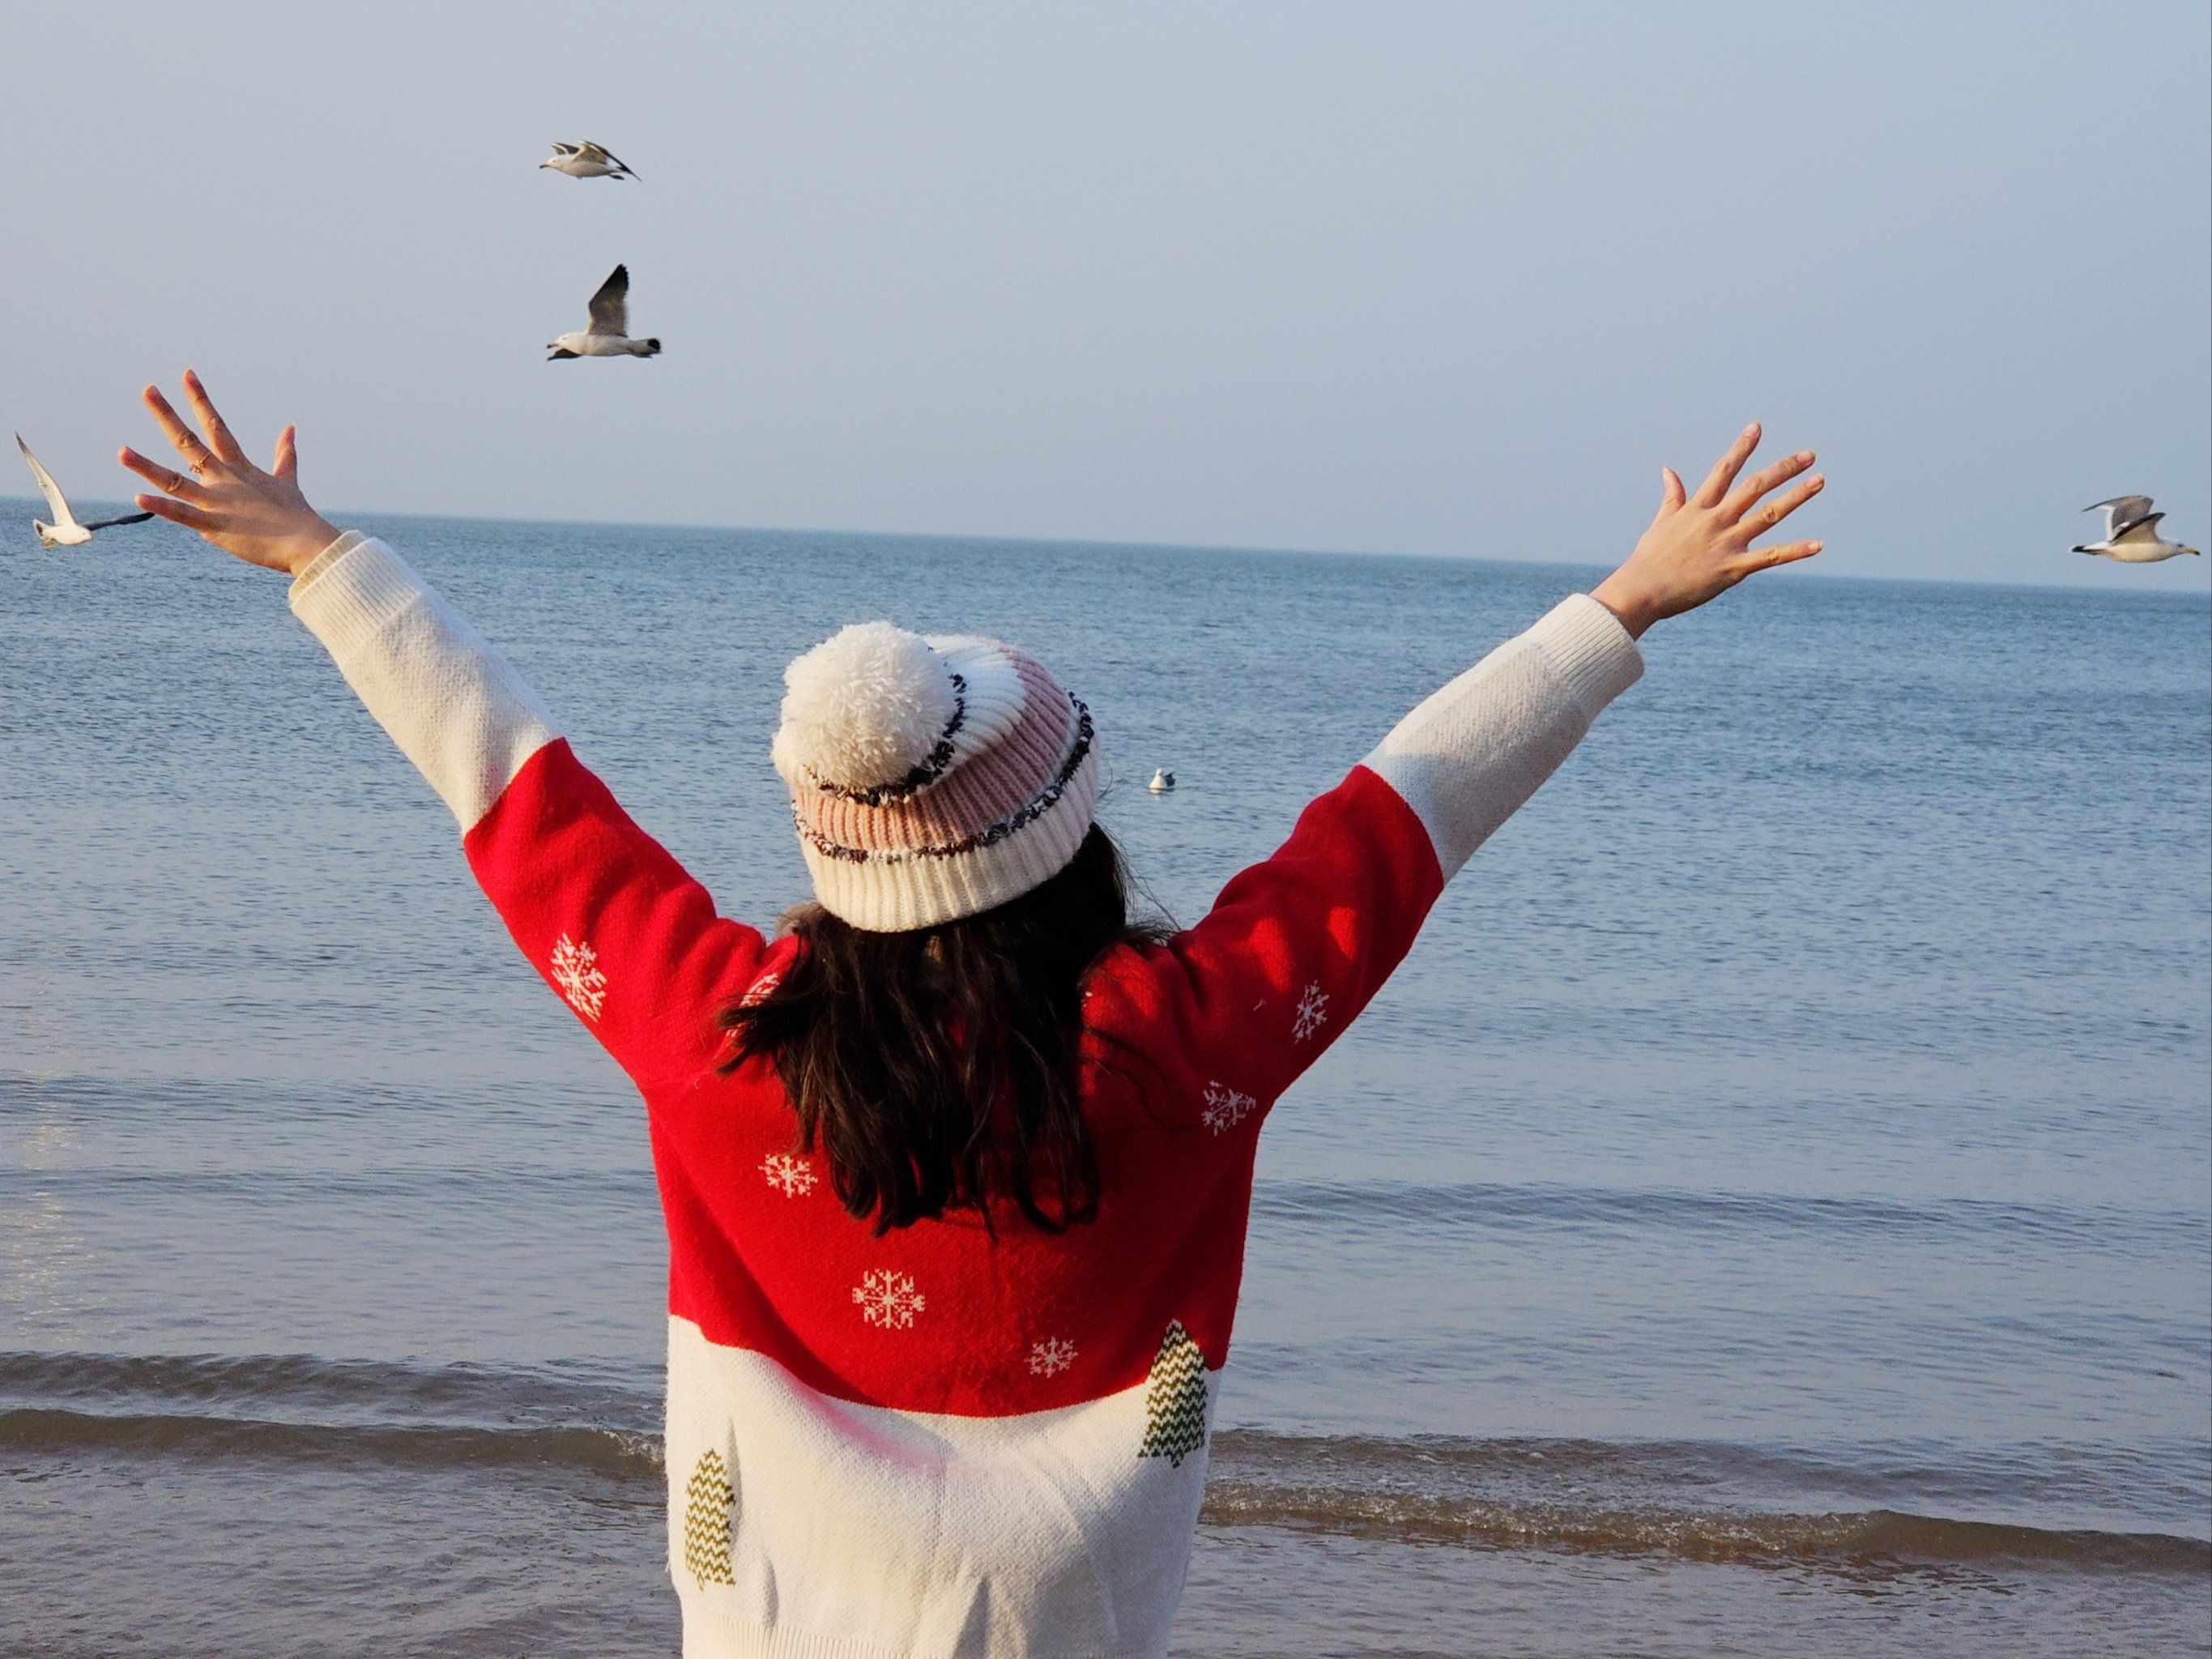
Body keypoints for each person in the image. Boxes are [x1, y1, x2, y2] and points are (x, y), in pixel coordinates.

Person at [120, 373, 1822, 1659]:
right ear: (1070, 839)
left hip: (778, 1607)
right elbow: (1403, 814)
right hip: (1069, 1612)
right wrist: (1616, 612)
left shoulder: (714, 1032)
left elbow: (511, 782)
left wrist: (328, 561)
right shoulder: (1188, 1040)